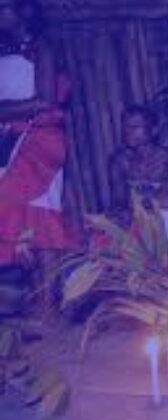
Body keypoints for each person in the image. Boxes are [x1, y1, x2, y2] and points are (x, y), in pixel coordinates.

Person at [0, 0, 76, 265]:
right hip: (8, 140)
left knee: (39, 213)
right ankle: (32, 283)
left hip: (38, 141)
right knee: (23, 216)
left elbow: (45, 101)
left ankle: (49, 288)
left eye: (3, 7)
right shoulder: (5, 50)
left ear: (22, 11)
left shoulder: (42, 48)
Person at [108, 105, 168, 218]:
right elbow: (118, 201)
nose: (128, 131)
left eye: (135, 126)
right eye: (125, 126)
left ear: (154, 130)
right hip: (134, 218)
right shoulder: (120, 161)